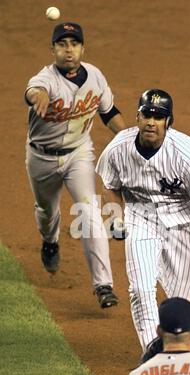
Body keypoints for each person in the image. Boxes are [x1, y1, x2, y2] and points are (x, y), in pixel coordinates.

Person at [96, 89, 190, 346]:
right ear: (138, 117)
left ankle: (173, 346)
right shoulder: (119, 147)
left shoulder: (185, 153)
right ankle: (152, 350)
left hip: (183, 221)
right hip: (141, 218)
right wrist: (116, 217)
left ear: (168, 121)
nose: (151, 121)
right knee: (141, 289)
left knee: (179, 301)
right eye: (146, 114)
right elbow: (110, 184)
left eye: (159, 116)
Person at [24, 22, 126, 308]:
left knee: (89, 212)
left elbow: (109, 113)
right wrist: (39, 96)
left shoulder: (95, 76)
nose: (68, 49)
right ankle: (50, 241)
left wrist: (129, 137)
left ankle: (103, 285)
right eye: (62, 44)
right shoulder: (45, 79)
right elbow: (33, 91)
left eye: (74, 44)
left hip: (78, 155)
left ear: (82, 48)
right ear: (53, 50)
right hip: (41, 158)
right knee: (47, 212)